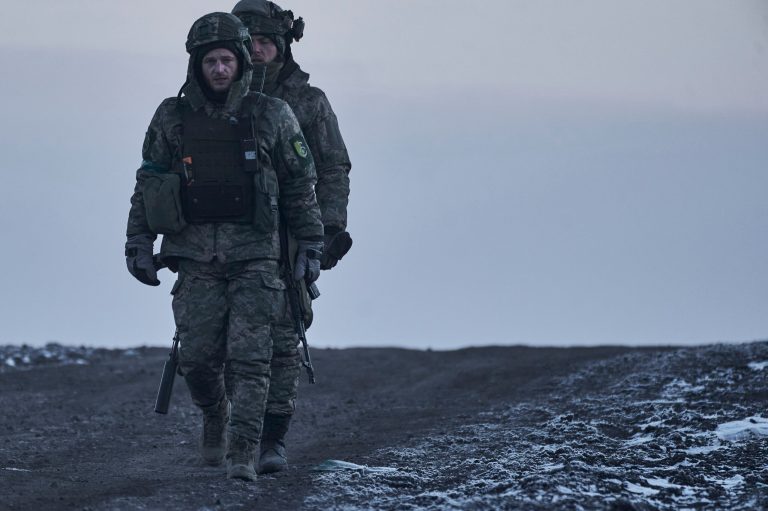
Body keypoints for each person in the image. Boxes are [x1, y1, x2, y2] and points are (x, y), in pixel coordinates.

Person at [124, 12, 324, 482]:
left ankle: (242, 453)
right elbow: (149, 183)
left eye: (227, 60)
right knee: (195, 359)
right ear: (197, 63)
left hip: (257, 258)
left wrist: (310, 246)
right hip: (195, 258)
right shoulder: (172, 117)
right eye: (210, 60)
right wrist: (138, 242)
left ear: (240, 63)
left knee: (252, 361)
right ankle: (215, 414)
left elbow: (301, 185)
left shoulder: (272, 114)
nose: (219, 69)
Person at [230, 0, 352, 474]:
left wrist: (328, 229)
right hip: (227, 239)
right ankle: (230, 426)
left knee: (284, 338)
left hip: (289, 238)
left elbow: (333, 168)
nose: (257, 52)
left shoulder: (309, 102)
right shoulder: (213, 96)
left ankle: (272, 439)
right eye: (250, 42)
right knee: (223, 341)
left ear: (281, 46)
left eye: (265, 42)